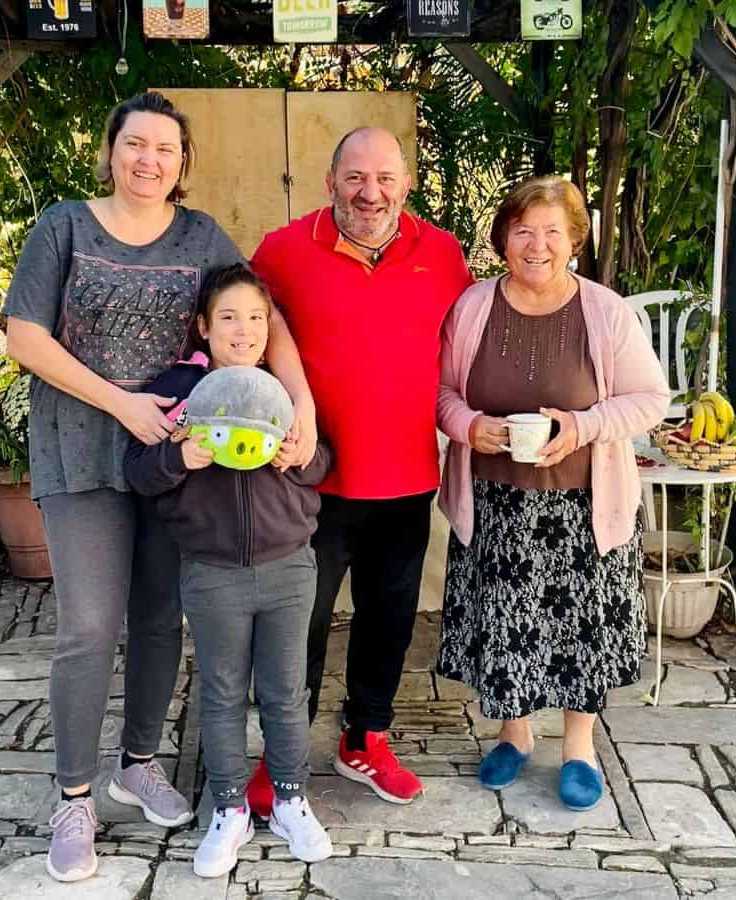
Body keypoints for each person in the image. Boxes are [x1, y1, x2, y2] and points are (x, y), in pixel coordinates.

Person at [3, 92, 316, 883]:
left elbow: (259, 313)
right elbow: (24, 337)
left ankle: (137, 762)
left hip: (179, 459)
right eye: (135, 144)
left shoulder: (199, 235)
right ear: (110, 150)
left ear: (182, 163)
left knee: (157, 615)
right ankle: (73, 797)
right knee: (89, 624)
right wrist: (122, 404)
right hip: (82, 448)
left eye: (166, 149)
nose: (149, 160)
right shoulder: (63, 227)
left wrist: (300, 409)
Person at [250, 126, 473, 811]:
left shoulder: (442, 254)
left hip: (405, 479)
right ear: (330, 182)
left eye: (384, 179)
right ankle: (280, 753)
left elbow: (466, 351)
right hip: (309, 484)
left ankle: (365, 740)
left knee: (389, 619)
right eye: (355, 177)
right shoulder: (282, 252)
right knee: (298, 626)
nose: (369, 193)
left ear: (406, 185)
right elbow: (243, 340)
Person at [436, 176, 670, 811]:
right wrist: (468, 426)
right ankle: (513, 736)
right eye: (522, 231)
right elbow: (441, 394)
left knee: (579, 629)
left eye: (551, 233)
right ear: (502, 239)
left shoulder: (606, 312)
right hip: (497, 503)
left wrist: (582, 427)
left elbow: (651, 400)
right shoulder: (472, 309)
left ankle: (579, 748)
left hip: (582, 503)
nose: (535, 245)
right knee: (506, 623)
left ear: (573, 241)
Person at [124, 263, 334, 877]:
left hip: (290, 566)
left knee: (285, 693)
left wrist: (301, 456)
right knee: (218, 695)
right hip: (212, 572)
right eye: (228, 318)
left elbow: (324, 463)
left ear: (270, 328)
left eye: (255, 318)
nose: (243, 331)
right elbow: (140, 473)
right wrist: (179, 455)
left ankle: (292, 800)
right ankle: (228, 808)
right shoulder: (179, 393)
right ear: (202, 327)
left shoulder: (287, 392)